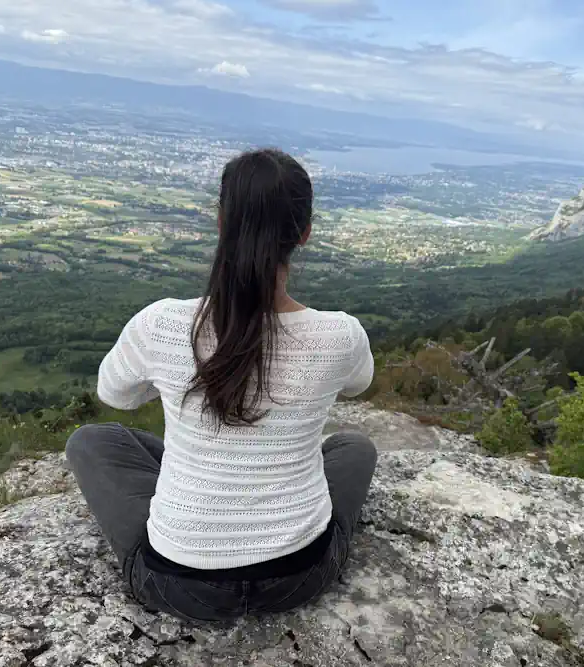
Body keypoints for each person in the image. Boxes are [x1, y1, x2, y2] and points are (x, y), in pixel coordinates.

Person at [65, 148, 377, 622]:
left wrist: (167, 379)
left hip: (177, 584)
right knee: (355, 446)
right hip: (299, 577)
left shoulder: (162, 324)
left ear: (221, 222)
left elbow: (115, 394)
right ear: (305, 233)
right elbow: (360, 386)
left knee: (91, 441)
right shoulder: (340, 335)